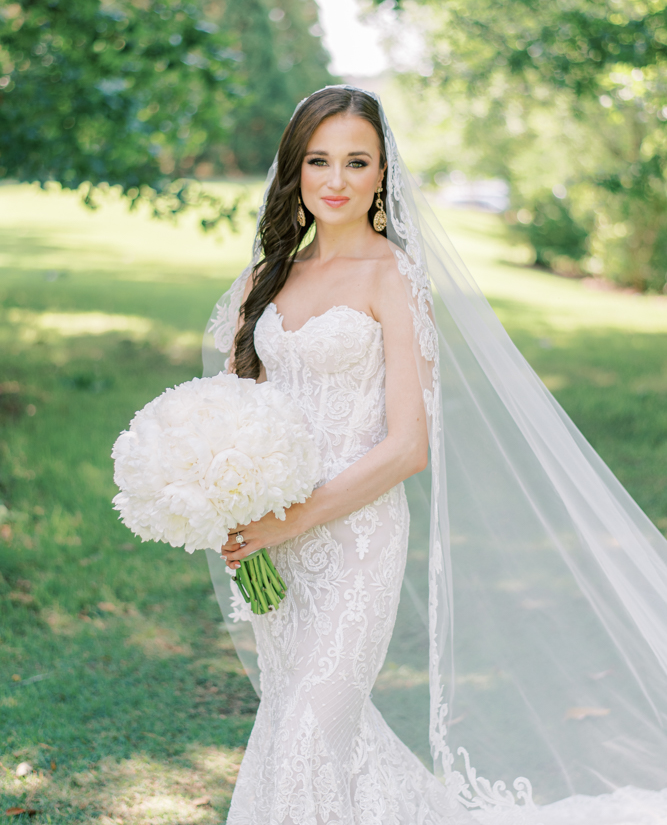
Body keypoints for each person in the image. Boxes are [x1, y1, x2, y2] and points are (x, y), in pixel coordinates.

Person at [204, 87, 667, 824]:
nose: (336, 179)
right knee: (304, 720)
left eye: (357, 162)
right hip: (274, 549)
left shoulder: (393, 277)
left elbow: (407, 447)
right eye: (318, 160)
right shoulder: (265, 281)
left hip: (353, 540)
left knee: (306, 734)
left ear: (382, 173)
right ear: (293, 169)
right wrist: (221, 491)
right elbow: (230, 415)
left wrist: (292, 520)